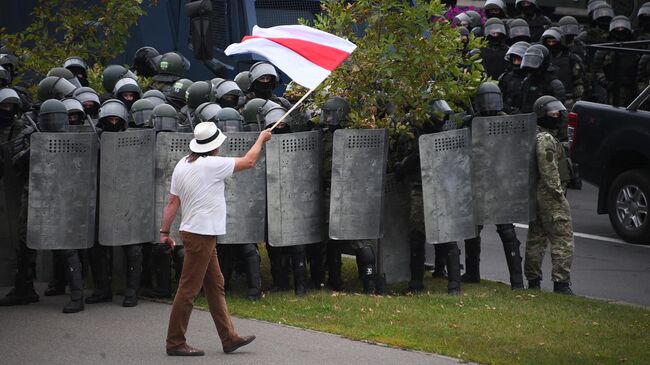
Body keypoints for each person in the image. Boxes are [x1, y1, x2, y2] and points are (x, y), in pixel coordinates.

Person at [159, 122, 270, 356]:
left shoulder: (183, 164)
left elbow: (172, 202)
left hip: (198, 233)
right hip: (201, 234)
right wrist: (261, 139)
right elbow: (249, 161)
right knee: (188, 289)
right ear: (214, 146)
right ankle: (175, 342)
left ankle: (228, 338)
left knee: (215, 285)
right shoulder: (212, 164)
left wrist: (164, 233)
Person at [461, 83, 525, 290]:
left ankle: (516, 281)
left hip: (497, 182)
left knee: (504, 232)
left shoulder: (508, 123)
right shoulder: (473, 122)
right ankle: (475, 274)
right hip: (483, 182)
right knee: (476, 231)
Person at [525, 96, 575, 295]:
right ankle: (561, 284)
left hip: (538, 194)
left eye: (557, 111)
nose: (556, 114)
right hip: (550, 195)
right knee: (563, 238)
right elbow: (549, 170)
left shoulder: (537, 134)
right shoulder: (545, 139)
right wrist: (558, 195)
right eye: (551, 111)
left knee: (536, 238)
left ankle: (533, 281)